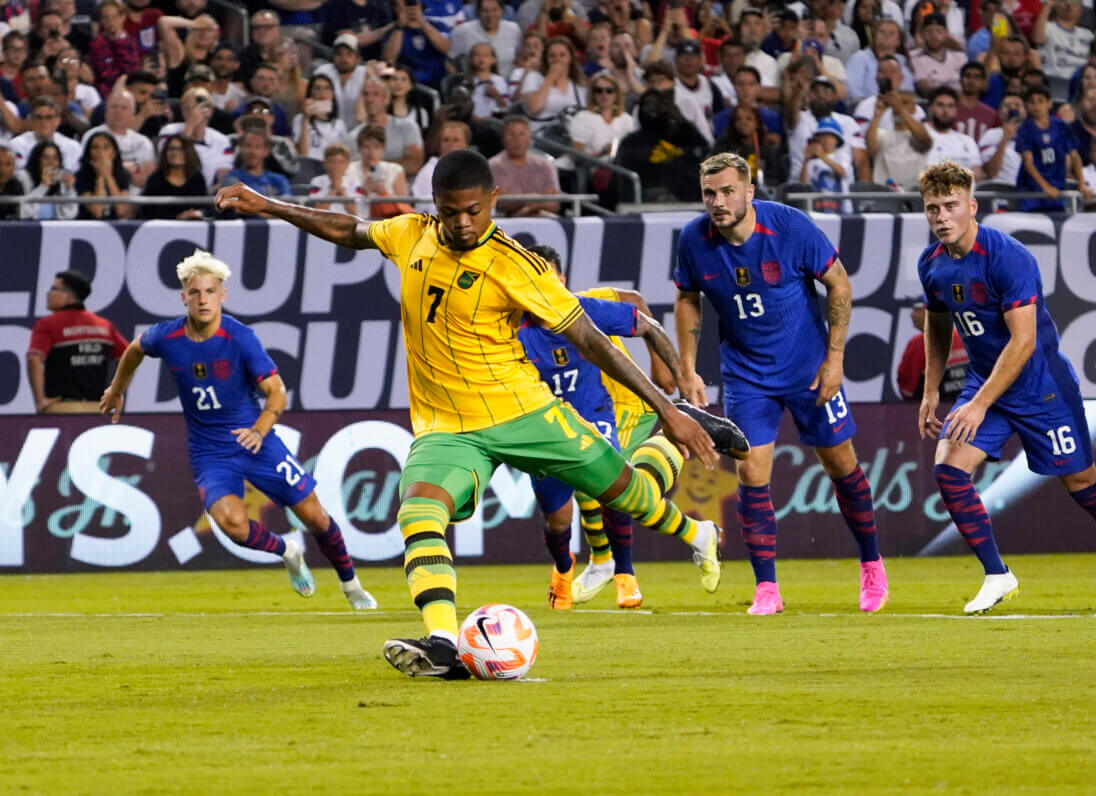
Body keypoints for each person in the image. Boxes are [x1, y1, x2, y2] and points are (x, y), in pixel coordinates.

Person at [215, 148, 732, 680]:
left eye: (474, 211)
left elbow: (590, 339)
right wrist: (268, 204)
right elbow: (351, 230)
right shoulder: (412, 232)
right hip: (449, 428)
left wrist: (666, 408)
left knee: (626, 494)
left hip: (525, 411)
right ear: (434, 204)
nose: (462, 223)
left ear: (494, 200)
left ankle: (697, 532)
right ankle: (442, 641)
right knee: (418, 512)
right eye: (450, 210)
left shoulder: (516, 265)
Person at [915, 160, 1096, 614]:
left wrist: (979, 404)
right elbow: (938, 324)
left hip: (1041, 386)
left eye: (951, 206)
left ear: (972, 206)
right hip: (987, 384)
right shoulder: (932, 264)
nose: (942, 217)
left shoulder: (1009, 257)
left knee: (1083, 485)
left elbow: (1024, 343)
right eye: (932, 209)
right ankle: (997, 575)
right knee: (948, 470)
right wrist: (932, 391)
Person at [99, 250, 378, 611]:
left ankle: (351, 585)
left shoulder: (240, 337)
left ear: (222, 296)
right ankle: (288, 551)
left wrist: (260, 431)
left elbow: (277, 391)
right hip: (210, 453)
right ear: (183, 296)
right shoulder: (166, 336)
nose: (203, 300)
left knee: (314, 516)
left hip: (258, 443)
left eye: (210, 292)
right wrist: (118, 388)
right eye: (195, 292)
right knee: (233, 524)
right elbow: (135, 350)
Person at [674, 152, 889, 616]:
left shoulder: (790, 227)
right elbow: (687, 298)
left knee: (841, 466)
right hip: (747, 375)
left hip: (809, 369)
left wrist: (834, 358)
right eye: (710, 193)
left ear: (750, 191)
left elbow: (839, 284)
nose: (718, 201)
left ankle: (872, 564)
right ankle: (766, 588)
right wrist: (688, 367)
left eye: (728, 191)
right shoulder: (694, 239)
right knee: (750, 472)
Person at [518, 244, 708, 610]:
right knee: (557, 519)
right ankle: (563, 568)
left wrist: (678, 372)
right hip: (545, 430)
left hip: (595, 415)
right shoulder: (512, 329)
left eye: (551, 278)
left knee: (613, 486)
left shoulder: (586, 307)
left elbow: (645, 321)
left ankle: (624, 573)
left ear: (561, 281)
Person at [28, 270, 128, 413]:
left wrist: (40, 400)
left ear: (68, 295)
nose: (48, 294)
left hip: (62, 410)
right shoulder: (104, 325)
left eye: (54, 289)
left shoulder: (48, 324)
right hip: (97, 410)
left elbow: (33, 359)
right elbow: (130, 357)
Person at [1015, 85, 1088, 211]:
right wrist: (1045, 187)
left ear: (1049, 103)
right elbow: (1028, 163)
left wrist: (1082, 183)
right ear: (1027, 105)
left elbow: (1075, 157)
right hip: (1031, 192)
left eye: (1040, 101)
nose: (1036, 106)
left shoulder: (1062, 126)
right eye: (1032, 102)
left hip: (1057, 189)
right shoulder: (1024, 130)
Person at [489, 115, 560, 217]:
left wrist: (530, 206)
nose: (516, 140)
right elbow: (502, 203)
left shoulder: (545, 165)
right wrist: (531, 199)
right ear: (503, 138)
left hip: (545, 219)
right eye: (511, 135)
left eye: (521, 134)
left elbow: (554, 204)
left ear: (529, 137)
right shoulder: (494, 165)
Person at [896, 301, 967, 400]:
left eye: (917, 310)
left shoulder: (920, 343)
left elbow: (907, 388)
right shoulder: (964, 338)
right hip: (965, 407)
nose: (911, 314)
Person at [142, 134, 209, 219]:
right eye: (171, 149)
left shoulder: (197, 178)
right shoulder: (155, 180)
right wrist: (178, 217)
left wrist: (197, 213)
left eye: (181, 149)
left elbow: (206, 207)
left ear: (189, 153)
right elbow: (149, 211)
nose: (175, 153)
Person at [76, 129, 136, 219]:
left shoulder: (123, 174)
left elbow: (121, 210)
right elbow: (97, 212)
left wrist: (108, 176)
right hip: (88, 227)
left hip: (116, 227)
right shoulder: (80, 176)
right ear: (89, 153)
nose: (101, 152)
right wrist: (100, 177)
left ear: (114, 153)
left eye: (106, 147)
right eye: (95, 147)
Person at [293, 74, 347, 161]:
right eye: (317, 88)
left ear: (332, 94)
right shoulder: (299, 119)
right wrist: (306, 119)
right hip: (308, 167)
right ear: (310, 93)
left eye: (326, 88)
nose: (322, 93)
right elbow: (302, 154)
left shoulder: (339, 124)